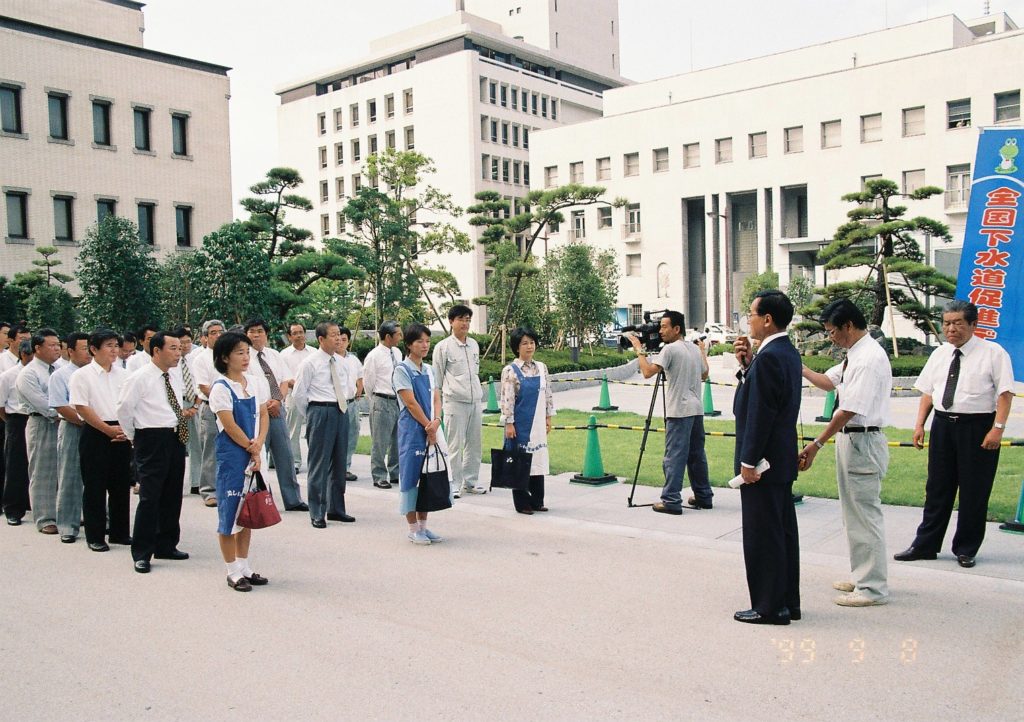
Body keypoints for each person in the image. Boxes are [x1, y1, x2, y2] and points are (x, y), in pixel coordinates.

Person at [895, 299, 1014, 569]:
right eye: (947, 323)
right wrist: (919, 425)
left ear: (973, 324)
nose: (951, 329)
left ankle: (966, 547)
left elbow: (1005, 394)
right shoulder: (940, 354)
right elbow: (928, 392)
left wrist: (997, 429)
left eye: (958, 323)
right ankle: (924, 545)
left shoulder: (994, 353)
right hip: (943, 425)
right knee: (937, 487)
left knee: (974, 490)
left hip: (978, 427)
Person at [799, 299, 892, 607]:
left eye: (831, 332)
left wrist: (816, 444)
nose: (830, 338)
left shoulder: (868, 359)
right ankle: (863, 575)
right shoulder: (855, 354)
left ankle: (872, 588)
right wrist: (799, 367)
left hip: (863, 441)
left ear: (848, 326)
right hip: (851, 442)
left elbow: (847, 410)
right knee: (853, 515)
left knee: (865, 515)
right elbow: (828, 383)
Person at [731, 290, 802, 625]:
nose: (750, 319)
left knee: (763, 535)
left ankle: (769, 606)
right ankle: (787, 600)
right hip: (780, 459)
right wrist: (747, 366)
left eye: (752, 313)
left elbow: (761, 414)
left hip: (764, 463)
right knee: (782, 531)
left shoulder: (772, 356)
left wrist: (748, 462)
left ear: (768, 319)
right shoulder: (784, 352)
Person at [117, 331, 193, 574]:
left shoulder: (175, 375)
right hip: (150, 437)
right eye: (173, 348)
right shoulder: (139, 377)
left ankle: (166, 544)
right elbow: (124, 410)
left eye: (179, 348)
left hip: (174, 435)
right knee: (150, 496)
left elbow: (178, 404)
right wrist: (134, 437)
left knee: (172, 493)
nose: (178, 353)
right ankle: (142, 552)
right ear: (156, 350)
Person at [628, 310, 712, 514]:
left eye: (665, 327)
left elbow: (648, 372)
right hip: (696, 409)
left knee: (674, 456)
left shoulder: (670, 350)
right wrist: (702, 352)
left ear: (677, 329)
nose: (661, 330)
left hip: (679, 411)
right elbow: (704, 374)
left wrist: (639, 350)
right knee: (696, 455)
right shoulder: (692, 348)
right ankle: (703, 496)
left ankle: (671, 499)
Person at [209, 331, 270, 592]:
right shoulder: (220, 388)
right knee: (230, 512)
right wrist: (250, 446)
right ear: (224, 357)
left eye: (247, 352)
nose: (245, 357)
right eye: (239, 353)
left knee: (248, 513)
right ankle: (232, 570)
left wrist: (259, 445)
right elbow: (229, 424)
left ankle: (244, 565)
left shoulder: (255, 383)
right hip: (234, 456)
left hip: (255, 451)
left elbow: (263, 413)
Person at [71, 329, 132, 552]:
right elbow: (82, 407)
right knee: (95, 486)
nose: (114, 350)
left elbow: (129, 404)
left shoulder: (124, 374)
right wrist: (107, 429)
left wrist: (125, 429)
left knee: (120, 484)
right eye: (109, 345)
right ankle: (95, 535)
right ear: (94, 349)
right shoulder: (82, 375)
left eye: (116, 345)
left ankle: (119, 532)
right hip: (96, 431)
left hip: (121, 431)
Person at [291, 322, 355, 527]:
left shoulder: (342, 361)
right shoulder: (310, 363)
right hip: (320, 410)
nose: (338, 339)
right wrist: (313, 414)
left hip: (340, 410)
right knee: (319, 463)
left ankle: (336, 508)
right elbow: (299, 394)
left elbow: (346, 388)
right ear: (321, 339)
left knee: (339, 462)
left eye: (339, 335)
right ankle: (317, 511)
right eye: (334, 335)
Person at [393, 323, 448, 545]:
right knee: (411, 476)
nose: (425, 345)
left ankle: (424, 526)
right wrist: (428, 426)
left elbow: (436, 398)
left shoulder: (429, 369)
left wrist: (436, 421)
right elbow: (411, 402)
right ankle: (413, 528)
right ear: (408, 344)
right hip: (413, 430)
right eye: (419, 341)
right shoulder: (401, 370)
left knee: (428, 476)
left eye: (427, 341)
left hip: (431, 428)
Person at [244, 318, 306, 511]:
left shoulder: (274, 355)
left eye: (260, 331)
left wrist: (278, 400)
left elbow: (284, 381)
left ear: (266, 334)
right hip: (256, 412)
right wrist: (265, 404)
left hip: (277, 409)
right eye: (252, 331)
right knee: (258, 456)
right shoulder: (244, 357)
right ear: (246, 335)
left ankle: (293, 499)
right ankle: (262, 500)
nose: (256, 335)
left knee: (285, 456)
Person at [432, 304, 486, 498]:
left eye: (468, 320)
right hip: (454, 402)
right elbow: (437, 380)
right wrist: (437, 408)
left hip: (475, 401)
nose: (465, 323)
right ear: (451, 322)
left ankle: (470, 481)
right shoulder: (443, 347)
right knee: (455, 445)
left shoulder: (473, 345)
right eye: (461, 319)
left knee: (474, 443)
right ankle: (453, 483)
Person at [499, 328, 554, 515]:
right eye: (524, 343)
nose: (529, 346)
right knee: (521, 462)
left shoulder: (542, 367)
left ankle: (537, 500)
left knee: (537, 460)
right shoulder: (510, 370)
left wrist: (548, 417)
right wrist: (509, 422)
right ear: (516, 347)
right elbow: (507, 399)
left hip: (538, 421)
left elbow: (547, 394)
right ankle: (522, 503)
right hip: (520, 423)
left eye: (531, 342)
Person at [17, 329, 62, 535]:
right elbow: (45, 406)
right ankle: (45, 518)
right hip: (42, 422)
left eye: (58, 344)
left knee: (65, 469)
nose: (56, 348)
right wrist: (70, 414)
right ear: (37, 348)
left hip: (65, 421)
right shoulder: (29, 373)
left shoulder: (60, 369)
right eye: (51, 345)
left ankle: (65, 512)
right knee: (43, 470)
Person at [48, 331, 91, 543]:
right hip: (74, 426)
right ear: (70, 351)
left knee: (98, 476)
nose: (89, 352)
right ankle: (67, 525)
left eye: (91, 347)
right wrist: (87, 421)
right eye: (84, 348)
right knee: (70, 476)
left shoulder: (98, 373)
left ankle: (99, 520)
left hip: (98, 429)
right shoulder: (60, 375)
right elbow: (61, 406)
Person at [363, 320, 403, 489]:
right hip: (381, 399)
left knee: (397, 440)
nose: (401, 337)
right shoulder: (374, 356)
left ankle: (395, 472)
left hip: (397, 401)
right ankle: (379, 475)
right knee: (380, 441)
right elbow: (368, 382)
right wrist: (375, 401)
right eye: (398, 334)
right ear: (388, 336)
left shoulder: (397, 352)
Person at [193, 319, 225, 506]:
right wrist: (221, 401)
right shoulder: (201, 359)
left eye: (220, 331)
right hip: (210, 407)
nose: (218, 335)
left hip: (230, 408)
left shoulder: (227, 354)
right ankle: (209, 491)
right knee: (210, 449)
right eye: (213, 332)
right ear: (205, 337)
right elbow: (204, 387)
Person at [1, 339, 33, 525]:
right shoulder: (8, 376)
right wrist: (12, 422)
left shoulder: (45, 372)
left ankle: (31, 502)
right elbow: (1, 405)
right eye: (29, 356)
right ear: (22, 355)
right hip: (16, 420)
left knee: (37, 465)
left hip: (37, 420)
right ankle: (13, 509)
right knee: (15, 465)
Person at [173, 327, 204, 497]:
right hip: (177, 403)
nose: (185, 346)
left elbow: (200, 383)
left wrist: (195, 406)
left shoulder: (197, 357)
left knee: (196, 443)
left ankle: (196, 482)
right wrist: (180, 409)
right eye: (181, 343)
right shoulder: (171, 360)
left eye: (187, 342)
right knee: (177, 444)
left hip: (195, 401)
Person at [280, 322, 314, 473]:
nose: (299, 335)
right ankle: (295, 462)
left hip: (313, 395)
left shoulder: (314, 352)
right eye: (295, 333)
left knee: (314, 430)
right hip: (292, 395)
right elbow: (283, 377)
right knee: (293, 430)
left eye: (301, 332)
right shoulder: (284, 355)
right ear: (289, 336)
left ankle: (315, 462)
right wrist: (298, 386)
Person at [337, 327, 364, 481]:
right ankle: (334, 468)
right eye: (338, 339)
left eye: (344, 339)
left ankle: (345, 467)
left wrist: (359, 390)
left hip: (352, 403)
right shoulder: (330, 358)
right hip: (335, 404)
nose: (340, 342)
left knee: (352, 434)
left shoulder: (353, 359)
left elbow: (360, 377)